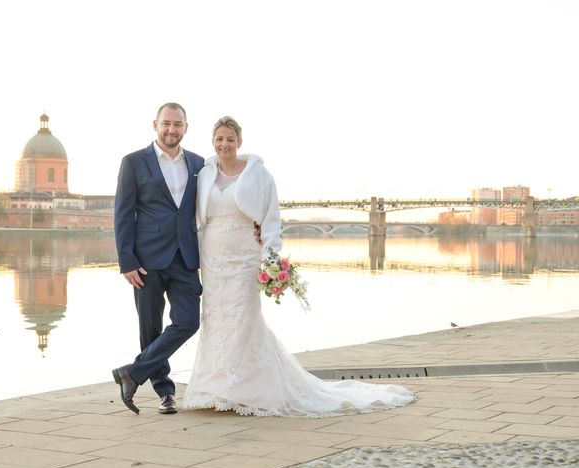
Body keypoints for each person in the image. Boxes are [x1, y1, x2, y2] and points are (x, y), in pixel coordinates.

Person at [183, 116, 415, 417]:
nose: (224, 144)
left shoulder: (258, 174)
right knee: (215, 320)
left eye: (230, 139)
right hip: (212, 259)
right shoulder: (204, 173)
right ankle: (213, 389)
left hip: (244, 259)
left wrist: (270, 258)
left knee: (243, 320)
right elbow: (197, 216)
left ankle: (244, 390)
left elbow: (270, 219)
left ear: (239, 142)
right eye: (219, 139)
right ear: (213, 142)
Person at [112, 103, 204, 415]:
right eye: (166, 123)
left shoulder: (199, 164)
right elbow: (123, 213)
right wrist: (126, 260)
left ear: (186, 128)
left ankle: (133, 372)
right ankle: (165, 393)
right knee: (149, 328)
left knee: (188, 322)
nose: (171, 129)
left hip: (186, 258)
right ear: (156, 125)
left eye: (178, 124)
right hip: (146, 260)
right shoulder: (134, 162)